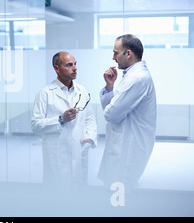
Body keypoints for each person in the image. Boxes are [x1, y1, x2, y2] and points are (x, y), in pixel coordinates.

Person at [31, 51, 97, 190]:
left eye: (75, 64)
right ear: (57, 68)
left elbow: (90, 119)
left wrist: (90, 138)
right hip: (56, 155)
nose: (75, 68)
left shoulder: (82, 91)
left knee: (78, 195)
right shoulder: (45, 93)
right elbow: (35, 124)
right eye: (69, 65)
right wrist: (61, 119)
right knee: (57, 196)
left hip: (79, 152)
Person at [98, 34, 156, 191]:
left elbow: (110, 114)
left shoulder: (136, 79)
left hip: (127, 150)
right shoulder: (132, 76)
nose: (113, 57)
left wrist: (111, 106)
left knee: (118, 201)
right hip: (122, 146)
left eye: (116, 53)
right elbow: (113, 111)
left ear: (128, 53)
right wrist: (110, 87)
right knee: (116, 195)